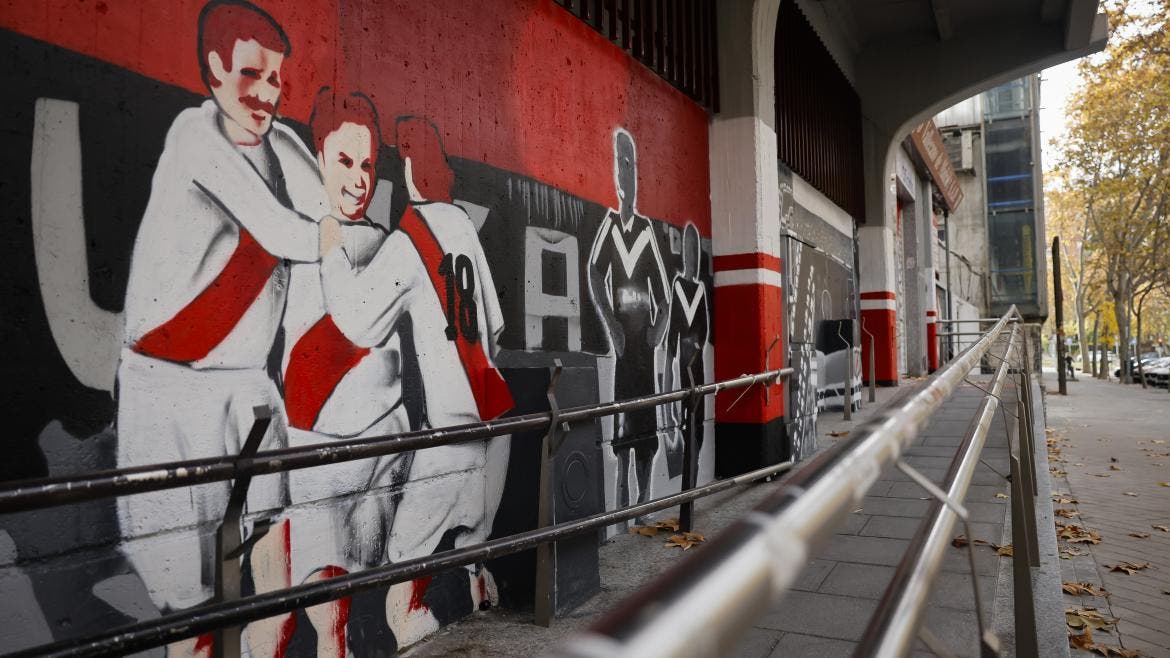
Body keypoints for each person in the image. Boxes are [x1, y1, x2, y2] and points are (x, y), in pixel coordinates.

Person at [115, 2, 339, 655]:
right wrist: (328, 234)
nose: (266, 94)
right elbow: (289, 230)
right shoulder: (194, 135)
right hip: (167, 394)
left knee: (274, 590)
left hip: (246, 389)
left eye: (275, 79)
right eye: (251, 75)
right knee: (188, 617)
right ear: (214, 69)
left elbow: (331, 229)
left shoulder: (284, 147)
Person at [318, 115, 513, 647]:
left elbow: (357, 319)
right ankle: (476, 588)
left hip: (448, 443)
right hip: (497, 431)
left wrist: (332, 247)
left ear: (406, 166)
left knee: (398, 590)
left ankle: (447, 613)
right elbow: (493, 326)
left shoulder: (408, 240)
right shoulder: (463, 227)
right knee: (474, 555)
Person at [280, 87, 407, 658]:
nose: (360, 180)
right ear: (317, 160)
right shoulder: (297, 243)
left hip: (378, 446)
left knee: (351, 598)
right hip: (317, 447)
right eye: (346, 162)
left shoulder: (378, 245)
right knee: (325, 614)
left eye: (369, 166)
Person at [587, 129, 670, 510]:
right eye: (621, 163)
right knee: (622, 419)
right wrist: (611, 323)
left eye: (631, 163)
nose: (627, 172)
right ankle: (621, 498)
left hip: (643, 349)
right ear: (615, 176)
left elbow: (665, 299)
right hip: (623, 347)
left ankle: (645, 497)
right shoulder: (610, 227)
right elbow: (593, 272)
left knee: (646, 420)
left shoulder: (646, 231)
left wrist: (656, 331)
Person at [662, 224, 709, 478]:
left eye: (696, 251)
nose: (693, 257)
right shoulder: (678, 287)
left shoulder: (700, 291)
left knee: (698, 423)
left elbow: (704, 334)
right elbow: (670, 348)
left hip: (697, 370)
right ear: (684, 254)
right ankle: (687, 476)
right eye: (689, 250)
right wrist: (667, 403)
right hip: (683, 372)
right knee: (686, 422)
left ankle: (695, 469)